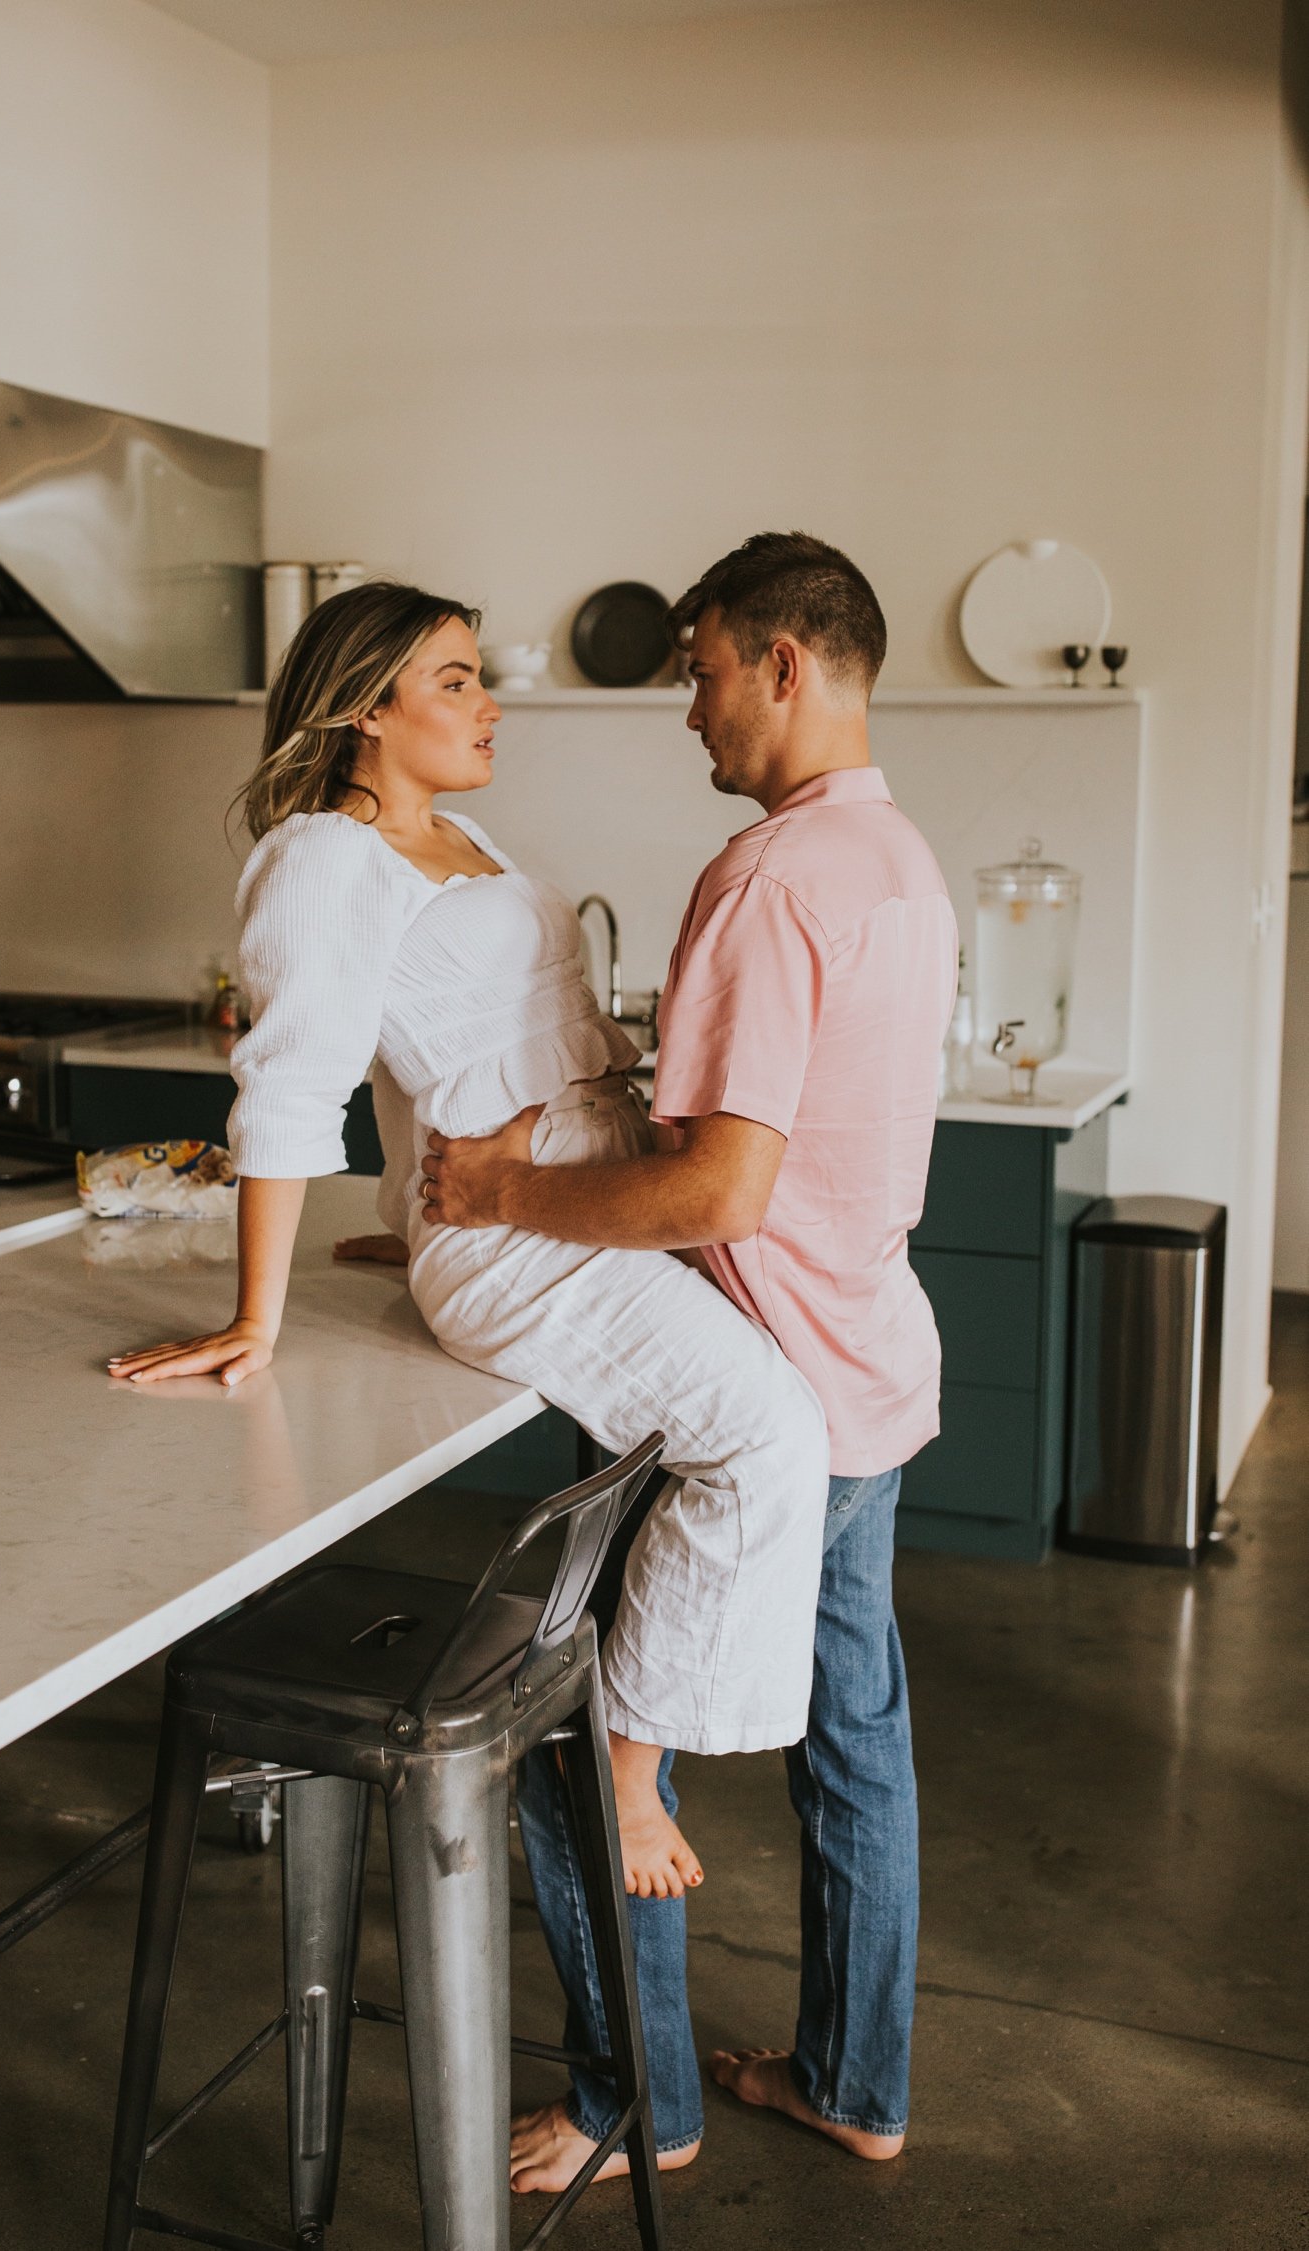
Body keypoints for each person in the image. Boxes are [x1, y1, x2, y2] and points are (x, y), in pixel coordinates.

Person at [107, 578, 831, 1951]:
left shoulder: (465, 840)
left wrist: (409, 1208)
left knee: (771, 1416)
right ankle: (626, 1769)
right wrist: (256, 1316)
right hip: (523, 1237)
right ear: (367, 707)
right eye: (454, 679)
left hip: (567, 1197)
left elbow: (426, 1066)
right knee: (768, 1437)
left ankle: (625, 1742)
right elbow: (297, 1081)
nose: (489, 700)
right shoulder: (322, 856)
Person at [420, 530, 960, 2191]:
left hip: (769, 1381)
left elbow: (720, 1188)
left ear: (784, 666)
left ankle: (628, 2105)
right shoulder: (896, 861)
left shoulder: (767, 879)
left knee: (583, 1749)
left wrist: (502, 1187)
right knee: (855, 1749)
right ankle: (858, 2080)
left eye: (703, 668)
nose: (690, 709)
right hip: (868, 1364)